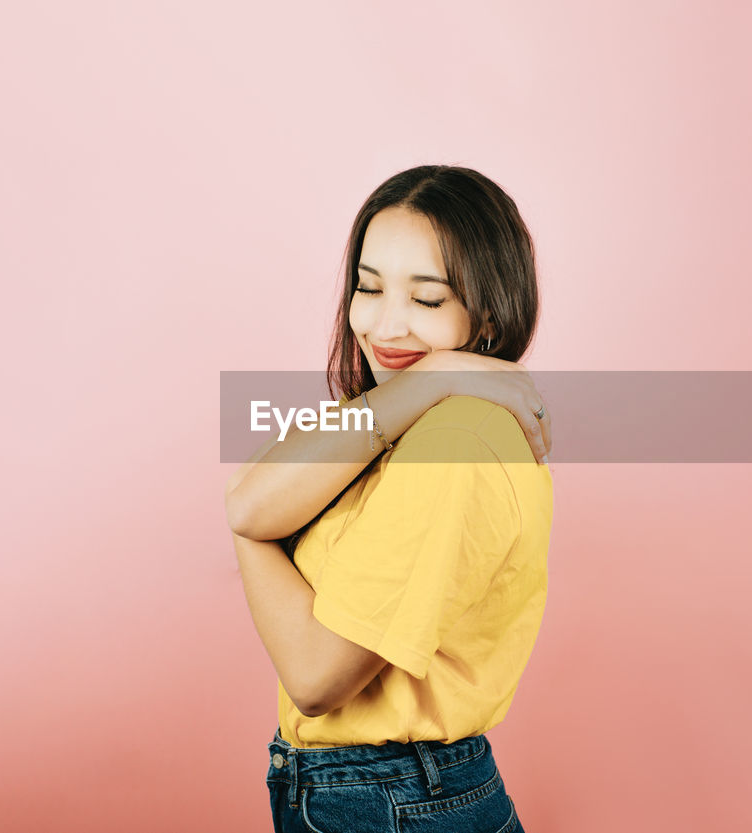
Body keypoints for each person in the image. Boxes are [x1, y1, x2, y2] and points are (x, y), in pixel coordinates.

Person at [225, 165, 553, 833]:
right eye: (367, 288)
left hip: (398, 801)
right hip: (382, 797)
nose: (385, 323)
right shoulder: (406, 417)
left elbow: (316, 677)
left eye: (427, 300)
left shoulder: (458, 439)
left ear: (486, 311)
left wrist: (252, 526)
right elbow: (252, 495)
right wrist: (431, 374)